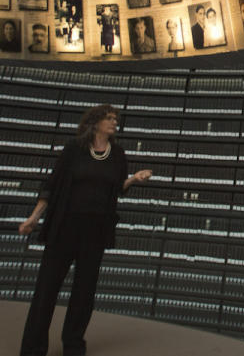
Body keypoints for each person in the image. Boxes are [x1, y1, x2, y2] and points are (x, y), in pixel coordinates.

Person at [18, 105, 152, 356]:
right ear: (95, 122)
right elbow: (52, 185)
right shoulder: (74, 149)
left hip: (96, 231)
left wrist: (134, 179)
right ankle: (33, 348)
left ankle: (74, 344)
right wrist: (34, 217)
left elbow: (117, 188)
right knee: (47, 288)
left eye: (115, 119)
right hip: (65, 227)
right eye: (109, 118)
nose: (114, 123)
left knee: (84, 291)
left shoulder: (118, 154)